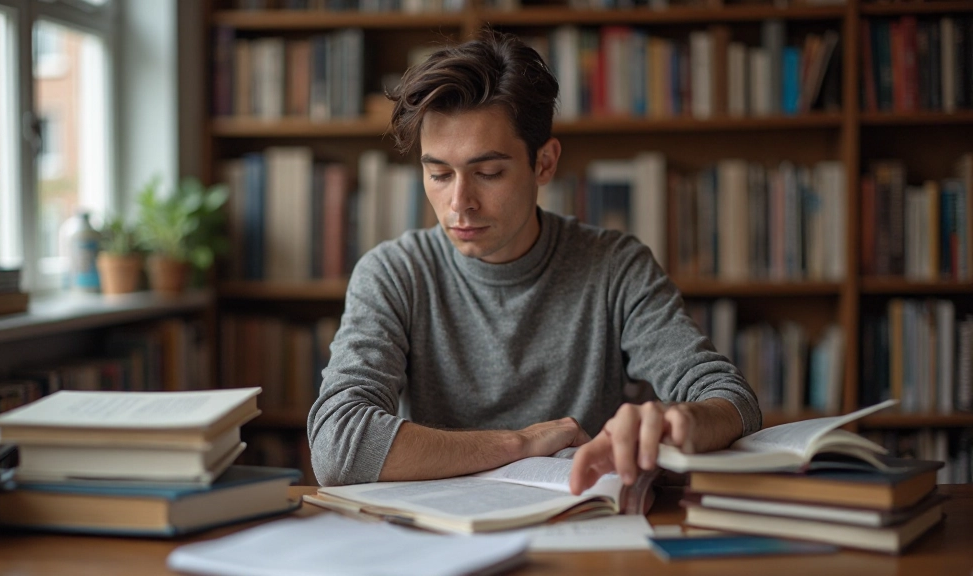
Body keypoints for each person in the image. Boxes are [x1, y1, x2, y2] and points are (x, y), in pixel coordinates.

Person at [307, 30, 761, 493]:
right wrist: (520, 443)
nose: (459, 203)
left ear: (544, 163)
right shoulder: (393, 274)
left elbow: (733, 401)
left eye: (488, 173)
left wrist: (680, 419)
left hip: (580, 527)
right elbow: (337, 445)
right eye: (439, 173)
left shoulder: (615, 267)